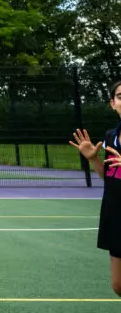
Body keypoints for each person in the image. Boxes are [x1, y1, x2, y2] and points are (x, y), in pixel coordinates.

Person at [70, 79, 121, 296]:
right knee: (118, 285)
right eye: (120, 96)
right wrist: (93, 158)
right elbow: (109, 175)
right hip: (115, 213)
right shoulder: (111, 136)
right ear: (112, 103)